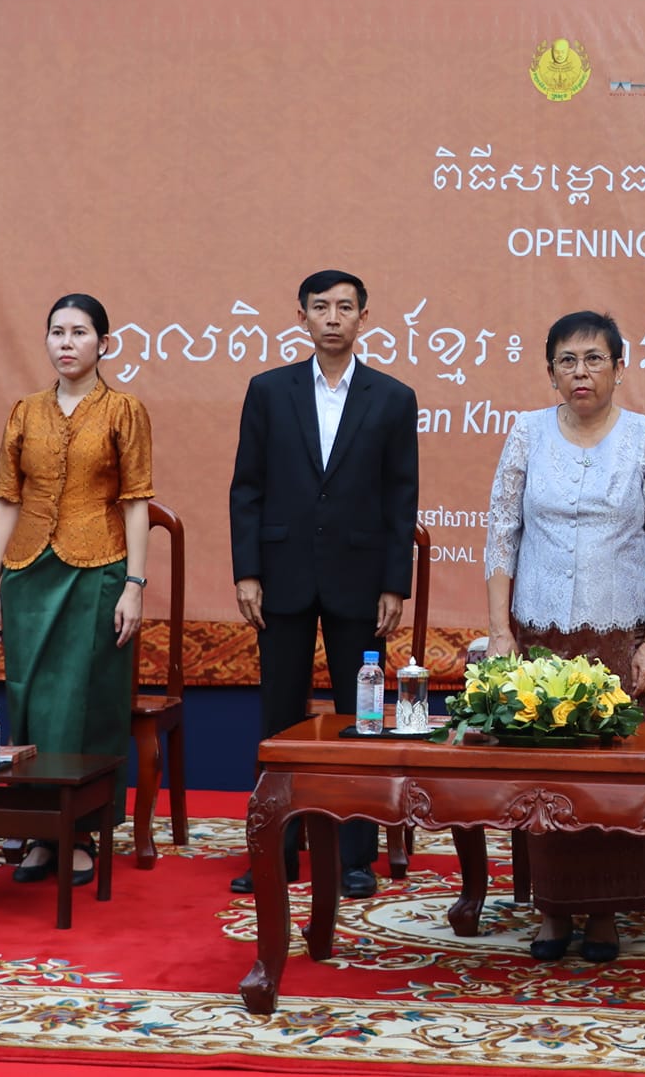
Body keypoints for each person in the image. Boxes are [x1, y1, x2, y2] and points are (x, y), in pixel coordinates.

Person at [483, 310, 645, 963]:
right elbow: (501, 535)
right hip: (541, 642)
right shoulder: (526, 433)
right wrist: (499, 633)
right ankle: (552, 908)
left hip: (620, 643)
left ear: (619, 368)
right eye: (567, 360)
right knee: (547, 780)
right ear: (550, 372)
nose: (581, 372)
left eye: (595, 359)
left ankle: (605, 911)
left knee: (609, 785)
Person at [229, 269, 419, 900]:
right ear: (302, 316)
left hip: (360, 580)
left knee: (361, 720)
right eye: (320, 307)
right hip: (281, 576)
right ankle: (274, 855)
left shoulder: (392, 397)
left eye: (344, 307)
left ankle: (354, 857)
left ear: (364, 317)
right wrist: (247, 571)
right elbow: (247, 488)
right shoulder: (268, 390)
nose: (332, 317)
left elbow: (401, 498)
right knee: (279, 719)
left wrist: (394, 583)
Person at [0, 295, 154, 887]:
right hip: (28, 572)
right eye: (57, 332)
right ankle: (38, 830)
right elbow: (6, 500)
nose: (67, 343)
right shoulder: (25, 411)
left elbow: (137, 503)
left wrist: (134, 584)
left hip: (98, 570)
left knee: (86, 699)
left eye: (80, 332)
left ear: (103, 344)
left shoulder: (124, 410)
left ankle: (80, 832)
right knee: (28, 698)